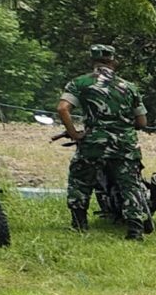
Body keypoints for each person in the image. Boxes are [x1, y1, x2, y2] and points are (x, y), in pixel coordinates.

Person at [59, 43, 150, 240]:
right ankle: (135, 230)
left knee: (80, 181)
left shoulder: (79, 83)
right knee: (130, 186)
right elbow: (142, 122)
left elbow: (63, 108)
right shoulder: (129, 87)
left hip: (93, 143)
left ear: (92, 60)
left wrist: (74, 133)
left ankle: (79, 225)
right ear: (113, 61)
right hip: (124, 145)